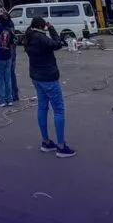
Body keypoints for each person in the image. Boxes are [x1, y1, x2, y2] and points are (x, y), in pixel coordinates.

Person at [23, 16, 75, 158]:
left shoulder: (28, 36)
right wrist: (51, 28)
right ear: (41, 25)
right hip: (48, 77)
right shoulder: (40, 38)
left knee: (42, 107)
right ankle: (61, 146)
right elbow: (58, 44)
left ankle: (46, 141)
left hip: (36, 76)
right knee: (58, 109)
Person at [1, 11, 20, 102]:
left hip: (10, 52)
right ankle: (14, 94)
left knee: (9, 73)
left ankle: (11, 94)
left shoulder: (6, 27)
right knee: (11, 73)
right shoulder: (10, 24)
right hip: (13, 51)